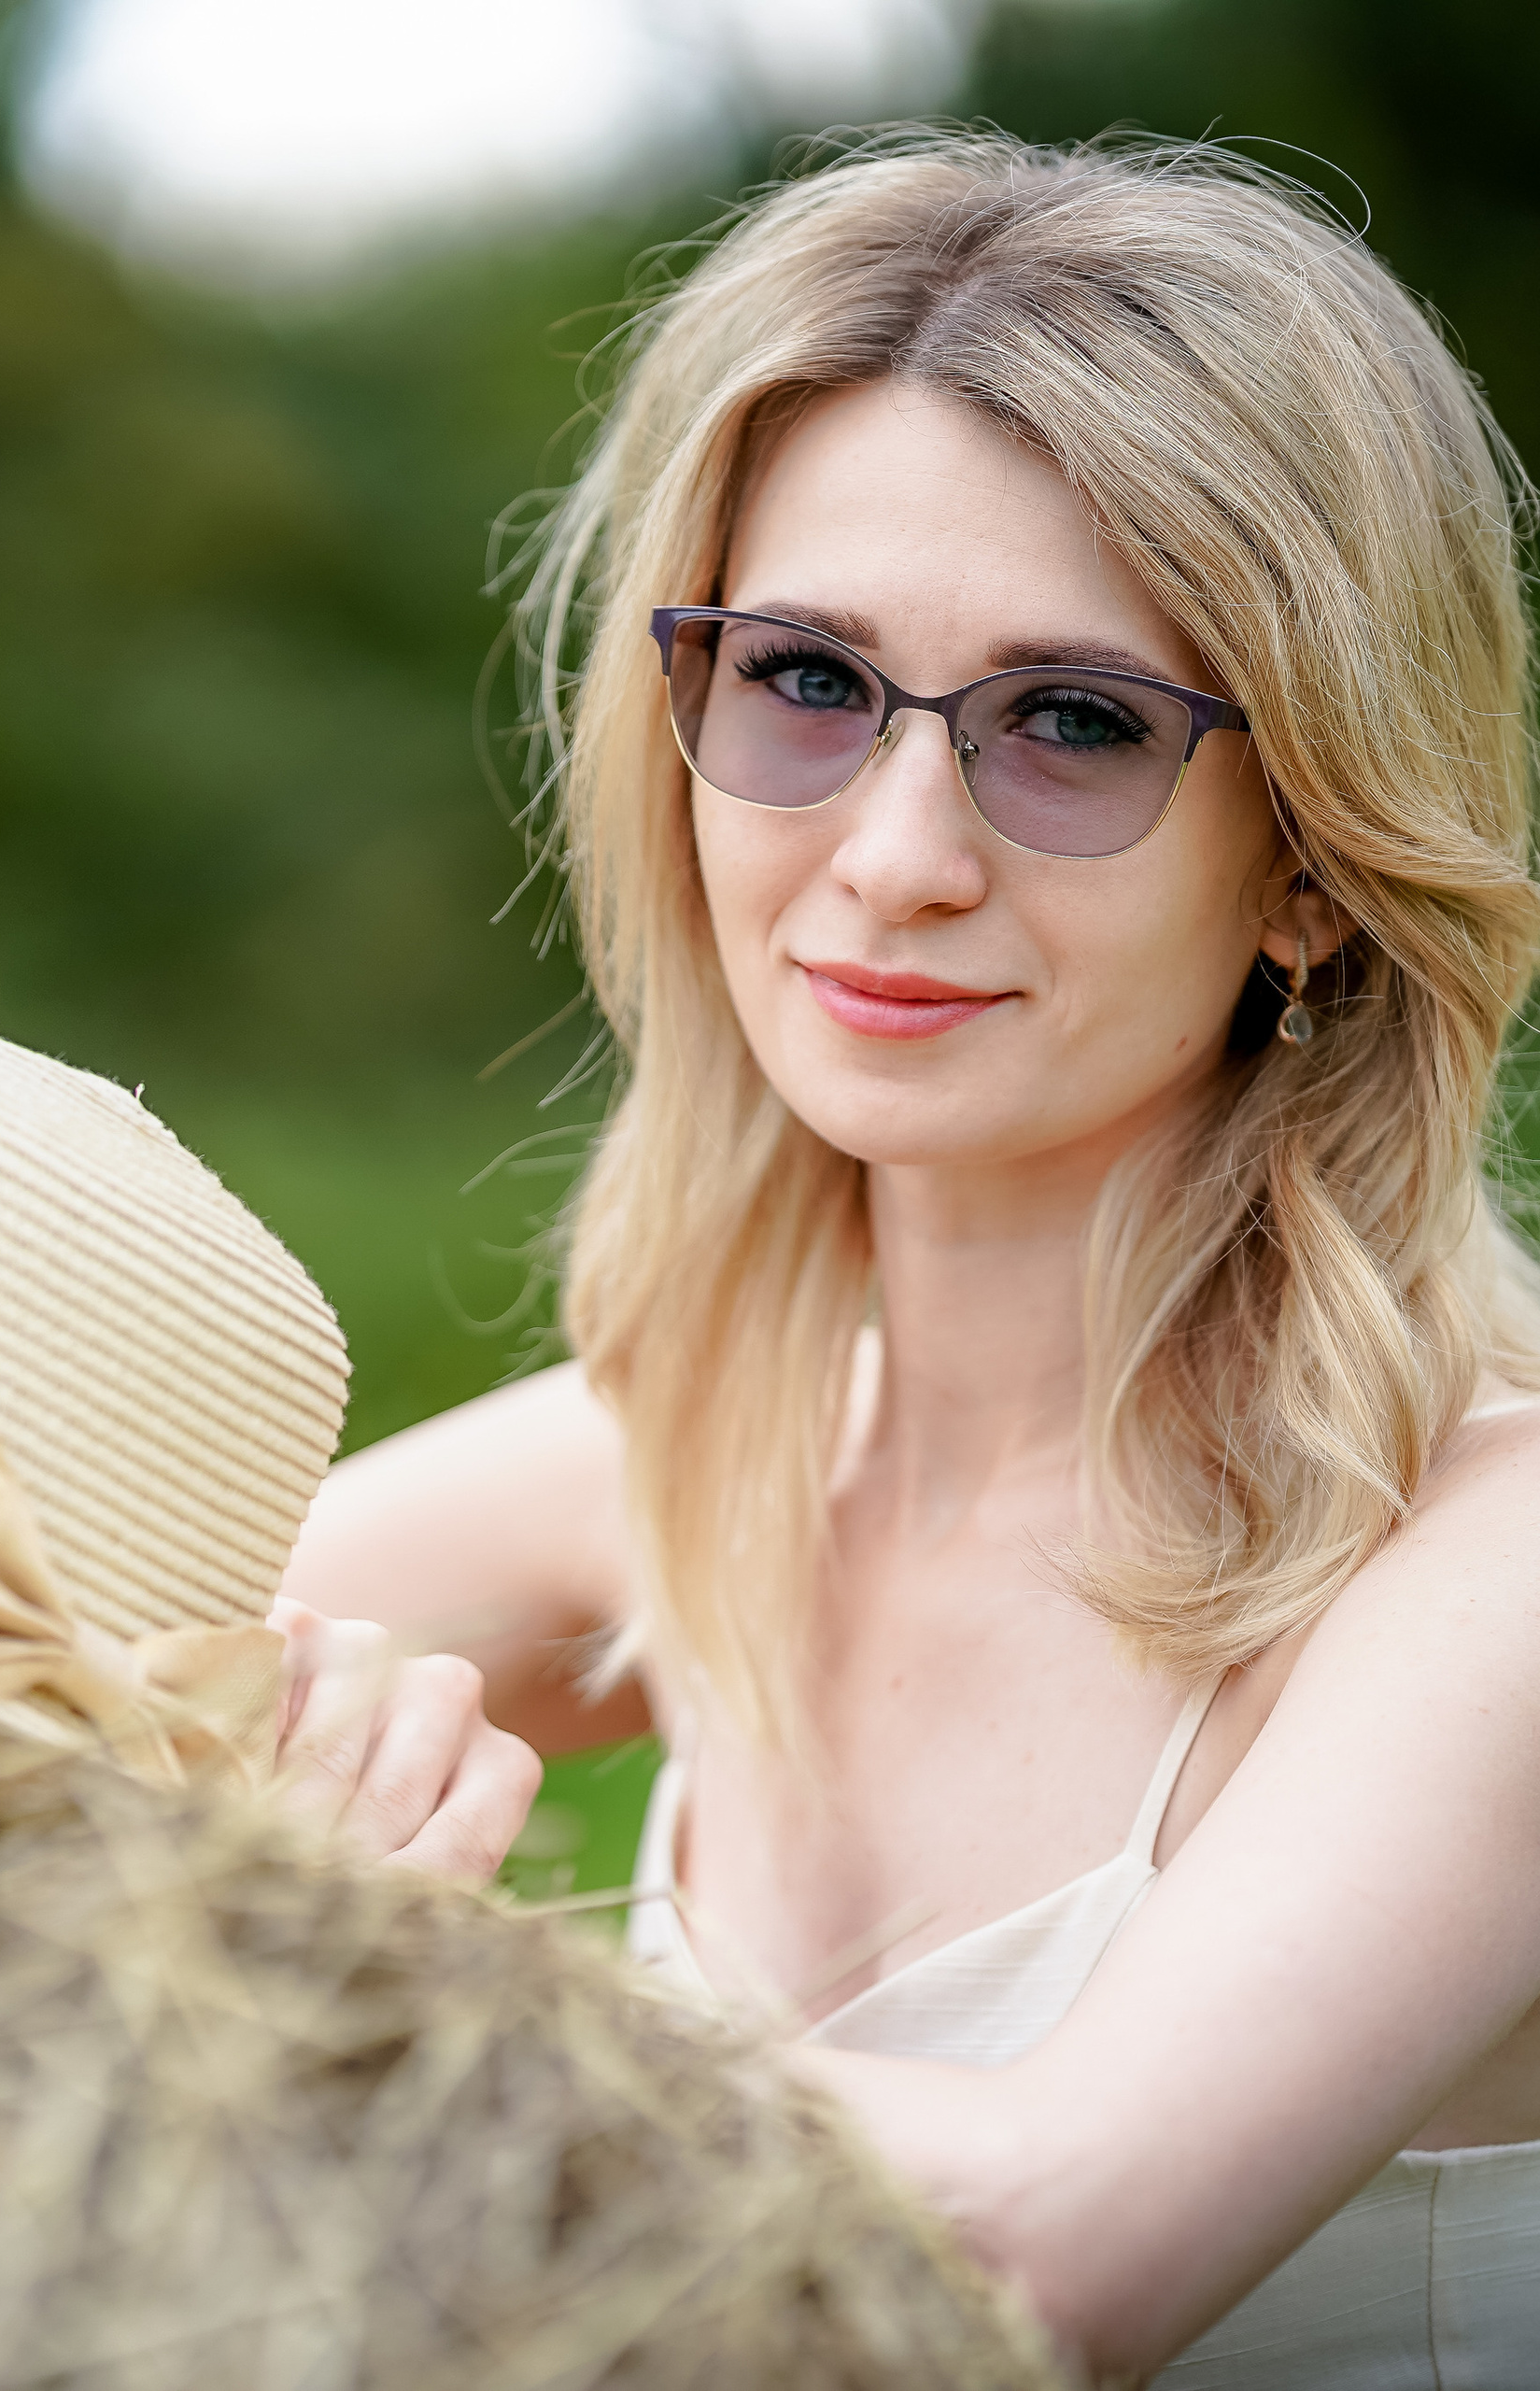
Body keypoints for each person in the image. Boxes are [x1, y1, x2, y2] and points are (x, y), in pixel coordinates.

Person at [268, 134, 1540, 2384]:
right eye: (805, 677)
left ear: (1308, 862)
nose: (892, 853)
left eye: (1075, 724)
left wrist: (374, 1974)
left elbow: (1036, 2255)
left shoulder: (1489, 1570)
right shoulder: (672, 1460)